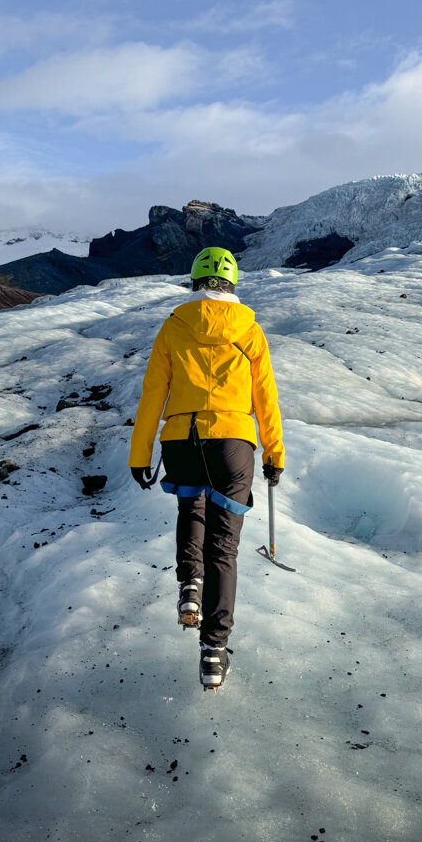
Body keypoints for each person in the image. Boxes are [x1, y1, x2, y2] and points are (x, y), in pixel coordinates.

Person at [129, 246, 284, 690]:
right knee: (225, 547)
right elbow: (265, 399)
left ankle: (189, 587)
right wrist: (274, 453)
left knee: (189, 510)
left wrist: (140, 455)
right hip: (232, 445)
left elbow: (152, 396)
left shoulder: (173, 328)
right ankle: (213, 652)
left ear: (193, 281)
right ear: (232, 284)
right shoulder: (250, 331)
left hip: (180, 440)